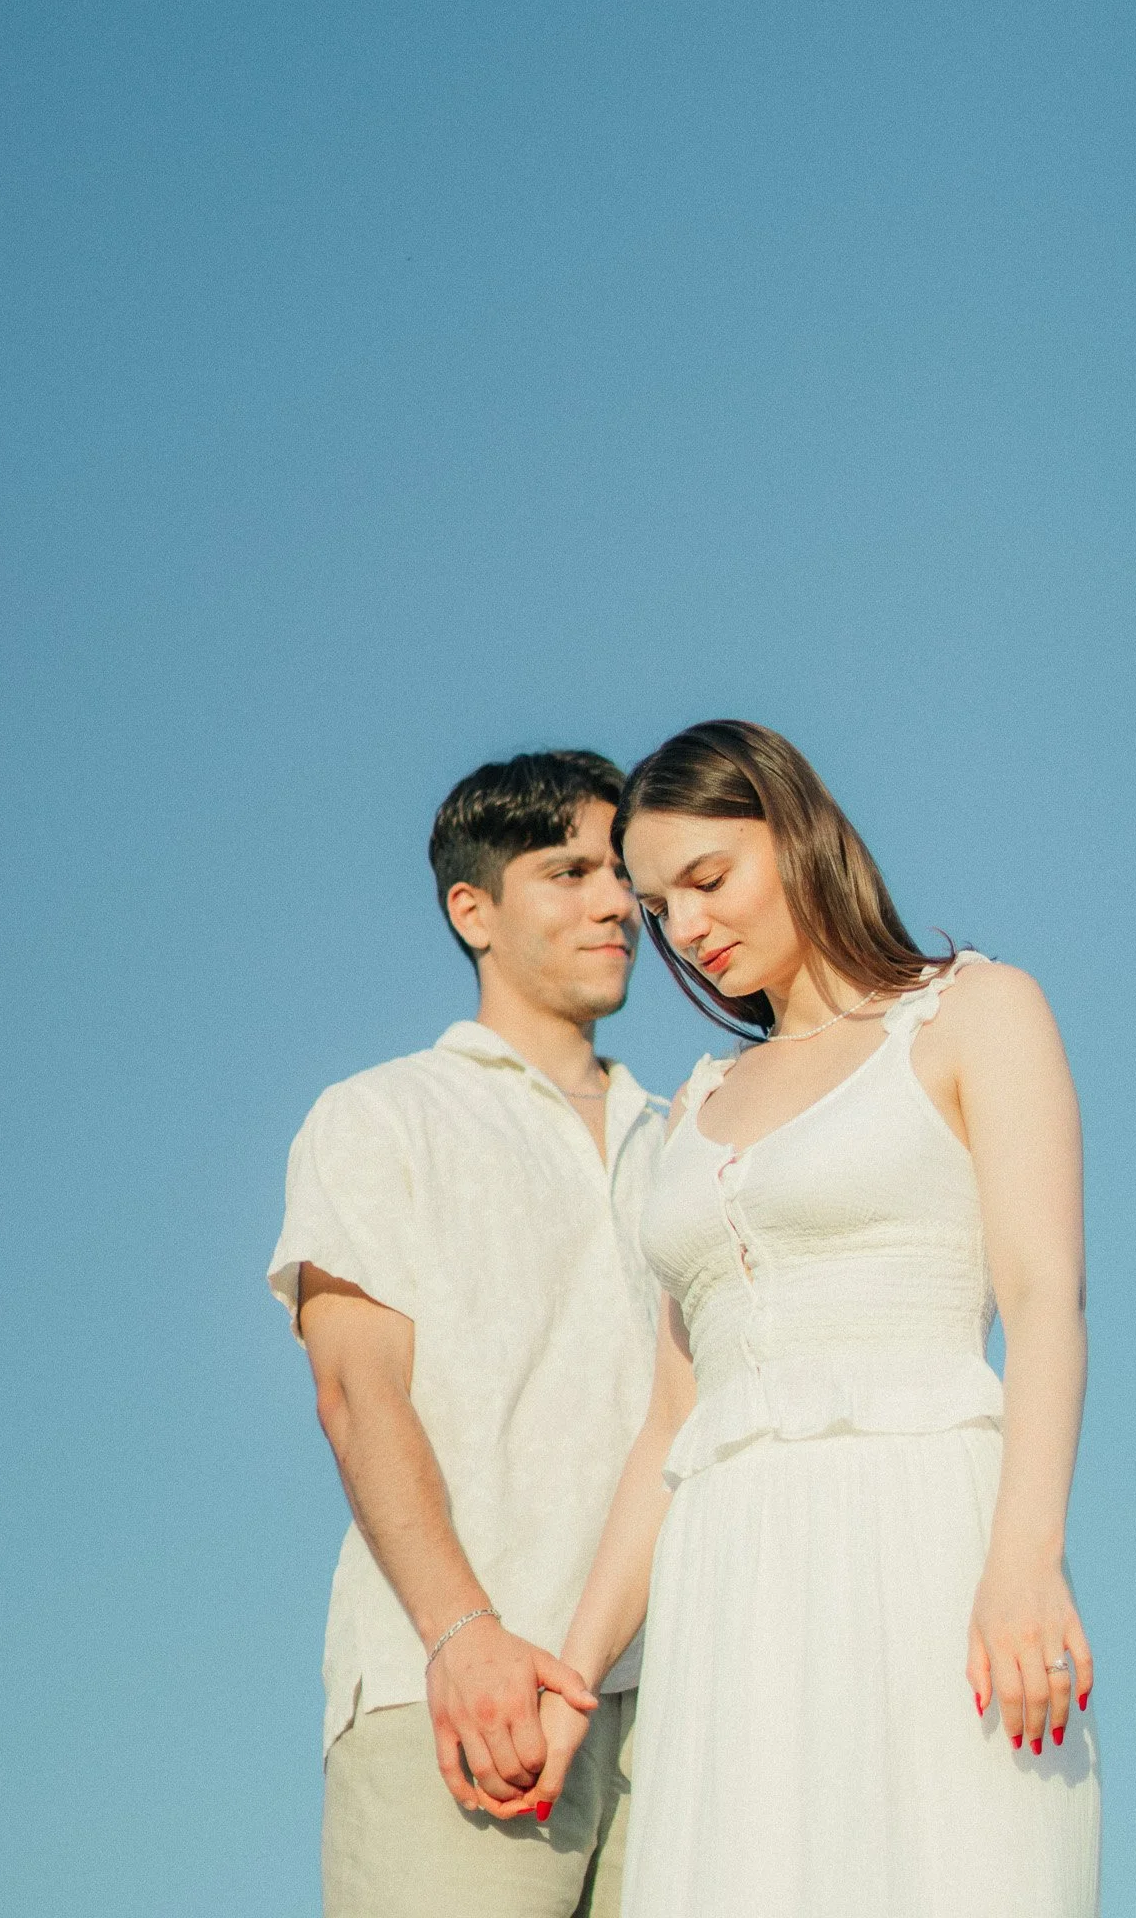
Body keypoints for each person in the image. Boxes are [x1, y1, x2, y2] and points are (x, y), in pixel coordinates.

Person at [510, 720, 1102, 1916]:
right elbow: (670, 1424)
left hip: (926, 1537)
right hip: (733, 1582)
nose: (687, 928)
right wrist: (573, 1672)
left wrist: (1025, 1561)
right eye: (661, 903)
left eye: (709, 879)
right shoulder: (701, 1102)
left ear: (795, 826)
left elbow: (1045, 1300)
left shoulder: (975, 1011)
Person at [267, 750, 668, 1918]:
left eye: (621, 873)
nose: (615, 903)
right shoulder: (381, 1114)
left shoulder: (694, 1133)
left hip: (685, 1703)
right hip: (452, 1688)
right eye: (569, 871)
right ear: (473, 908)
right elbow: (358, 1391)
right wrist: (464, 1634)